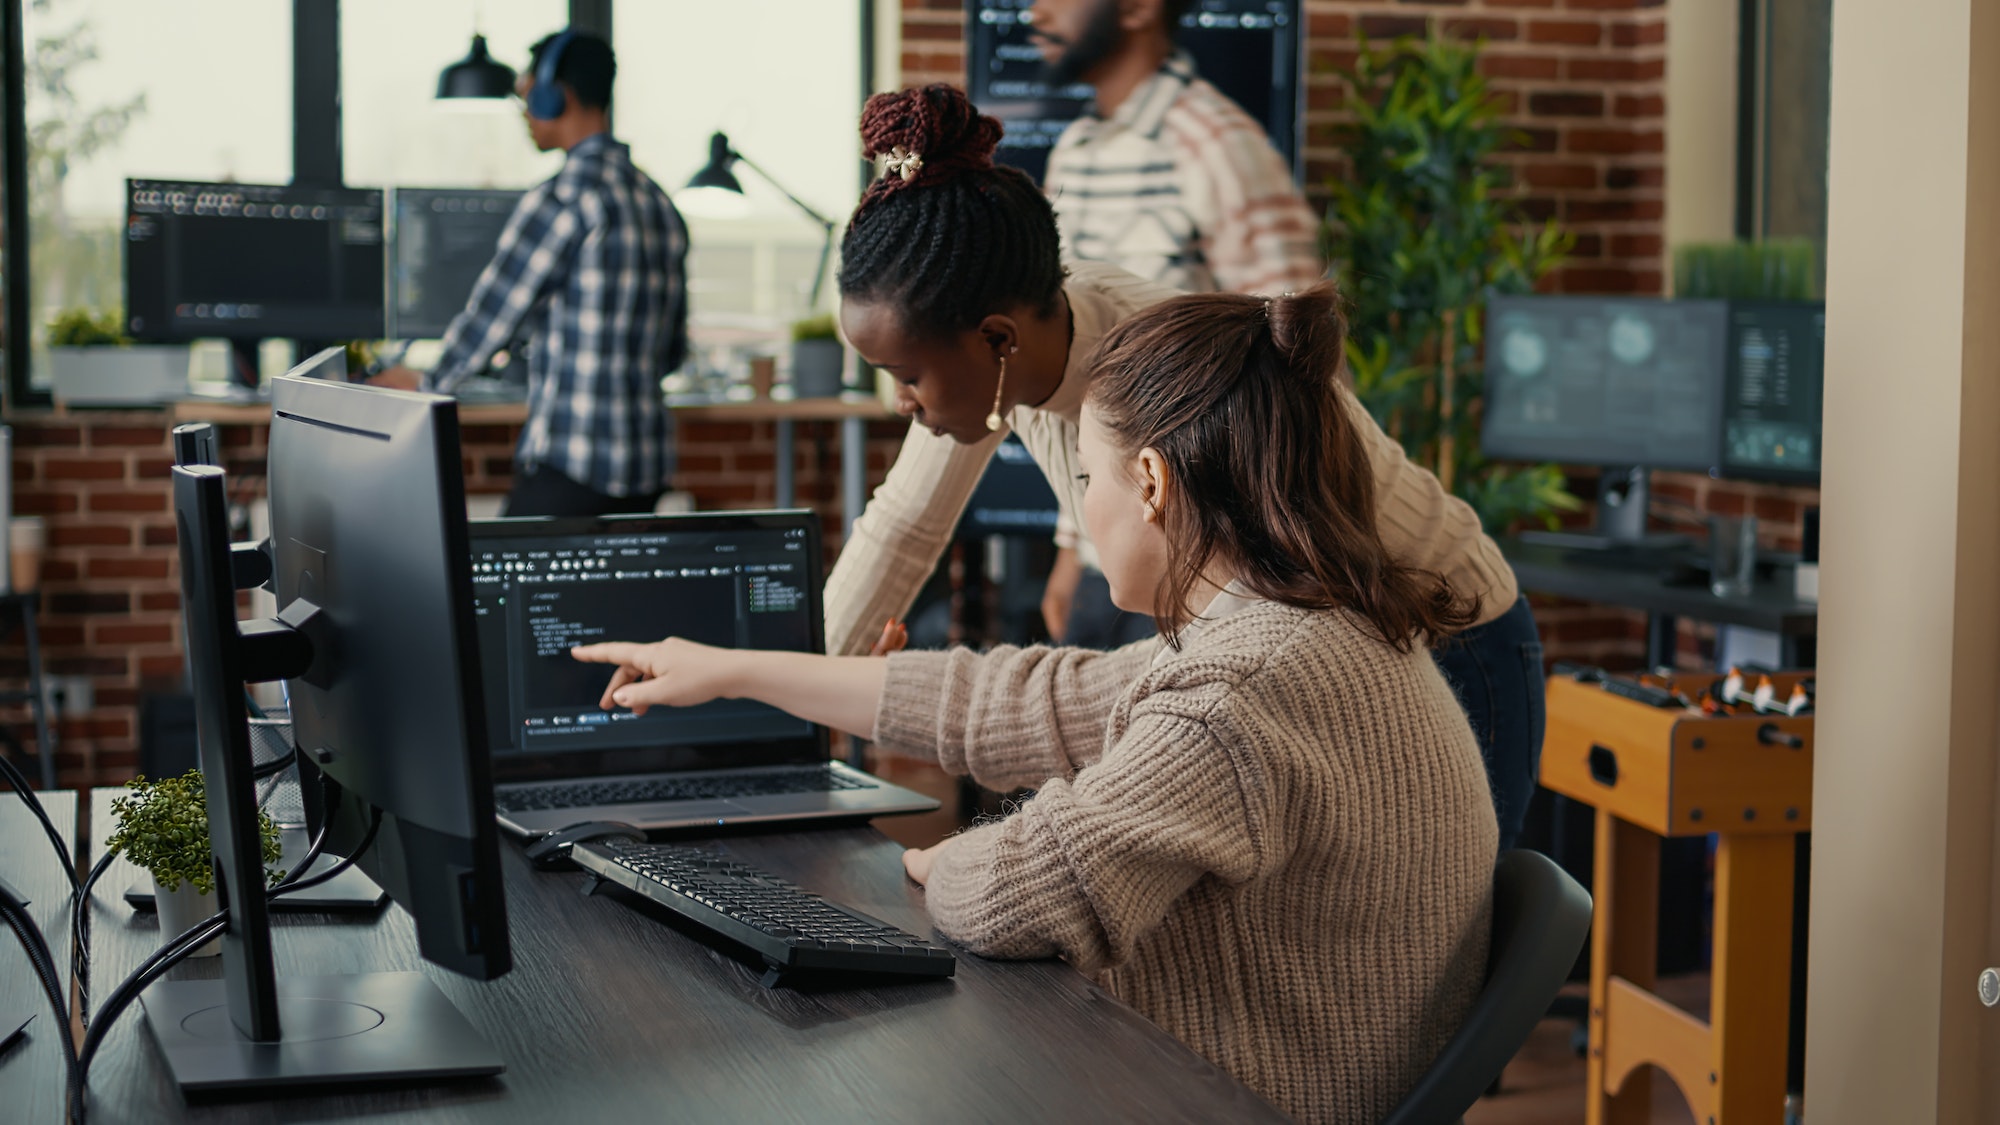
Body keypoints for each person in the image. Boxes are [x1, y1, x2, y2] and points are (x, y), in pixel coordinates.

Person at [572, 285, 1499, 1124]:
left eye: (1087, 480)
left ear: (1151, 482)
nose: (1083, 507)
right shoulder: (1313, 626)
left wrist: (947, 859)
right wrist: (735, 667)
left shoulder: (1240, 692)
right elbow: (1016, 701)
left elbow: (1025, 895)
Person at [821, 84, 1544, 848]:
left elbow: (1253, 614)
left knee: (1436, 937)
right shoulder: (1007, 349)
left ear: (997, 340)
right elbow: (902, 527)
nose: (899, 400)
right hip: (1331, 634)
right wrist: (785, 704)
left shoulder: (1156, 375)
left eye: (905, 373)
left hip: (1448, 633)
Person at [1027, 0, 1326, 647]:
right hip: (1110, 552)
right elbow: (1075, 384)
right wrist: (1071, 554)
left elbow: (1299, 363)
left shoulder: (1214, 142)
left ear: (1137, 8)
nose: (1035, 7)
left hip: (1207, 565)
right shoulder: (1075, 152)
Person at [373, 29, 688, 518]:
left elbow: (493, 316)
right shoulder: (659, 203)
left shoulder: (563, 198)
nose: (523, 113)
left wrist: (427, 381)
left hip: (574, 462)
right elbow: (671, 351)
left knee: (497, 589)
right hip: (646, 468)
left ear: (553, 95)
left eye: (524, 96)